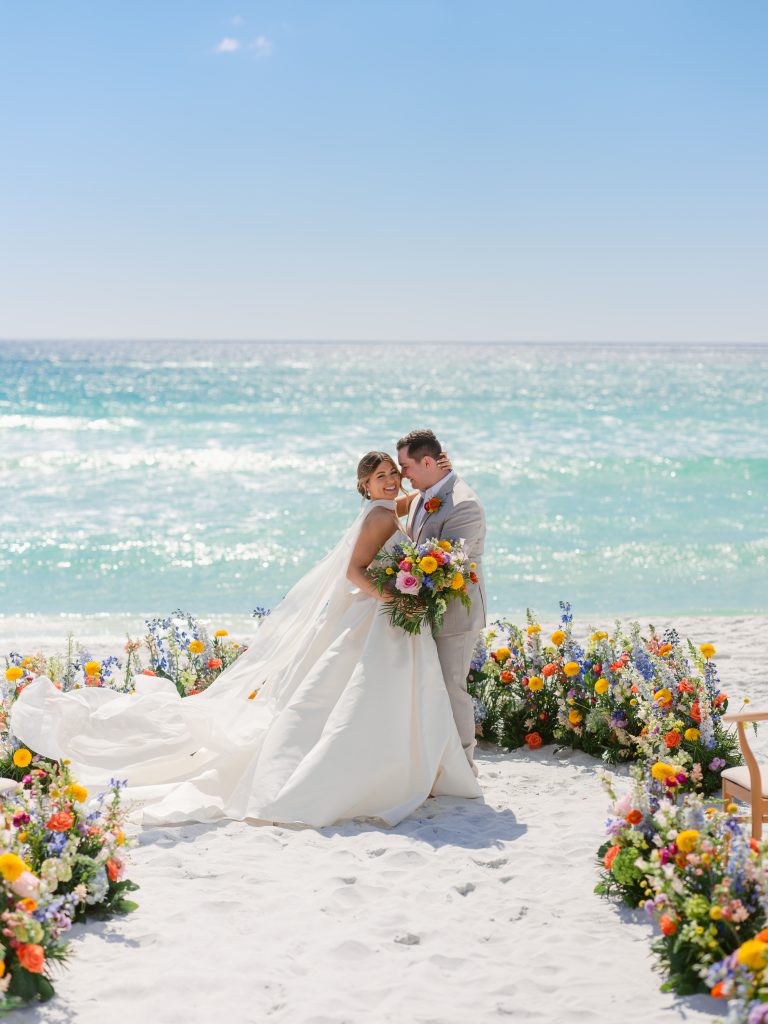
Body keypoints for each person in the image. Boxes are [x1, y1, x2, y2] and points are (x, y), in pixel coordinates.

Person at [10, 450, 481, 829]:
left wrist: (440, 481)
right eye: (381, 476)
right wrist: (395, 595)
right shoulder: (379, 516)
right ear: (364, 484)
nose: (391, 481)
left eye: (395, 474)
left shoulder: (387, 507)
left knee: (365, 696)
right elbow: (354, 571)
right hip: (381, 613)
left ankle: (406, 767)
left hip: (389, 616)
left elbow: (418, 504)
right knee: (357, 697)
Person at [397, 429, 486, 771]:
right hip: (426, 611)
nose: (403, 474)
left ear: (429, 462)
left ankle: (464, 765)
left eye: (406, 466)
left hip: (455, 616)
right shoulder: (422, 495)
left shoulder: (464, 505)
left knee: (452, 688)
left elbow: (450, 567)